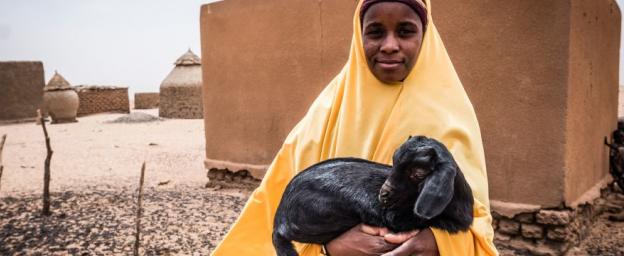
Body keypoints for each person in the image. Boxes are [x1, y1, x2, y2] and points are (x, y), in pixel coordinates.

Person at [212, 0, 497, 255]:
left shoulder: (452, 115)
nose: (389, 45)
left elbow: (476, 220)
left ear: (426, 35)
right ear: (358, 36)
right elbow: (277, 213)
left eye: (405, 31)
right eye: (375, 32)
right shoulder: (324, 115)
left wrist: (439, 243)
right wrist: (327, 246)